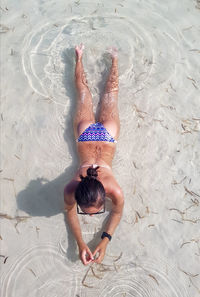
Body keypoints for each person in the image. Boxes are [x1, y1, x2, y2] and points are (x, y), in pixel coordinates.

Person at [64, 44, 124, 265]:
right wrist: (84, 243)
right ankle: (89, 57)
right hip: (87, 135)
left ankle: (97, 57)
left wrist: (101, 241)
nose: (89, 216)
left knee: (103, 94)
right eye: (94, 213)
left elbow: (69, 211)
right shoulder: (74, 186)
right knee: (89, 93)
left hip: (107, 135)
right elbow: (117, 214)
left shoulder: (112, 189)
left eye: (91, 213)